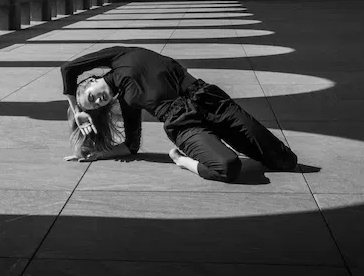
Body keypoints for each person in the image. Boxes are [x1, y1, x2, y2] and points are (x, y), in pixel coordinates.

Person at [60, 45, 298, 182]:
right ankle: (183, 160)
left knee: (286, 161)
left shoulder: (120, 55)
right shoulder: (127, 102)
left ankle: (215, 145)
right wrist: (99, 154)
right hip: (183, 124)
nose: (99, 101)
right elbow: (131, 146)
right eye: (96, 106)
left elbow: (68, 68)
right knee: (228, 167)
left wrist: (78, 110)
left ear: (92, 80)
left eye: (91, 97)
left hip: (212, 102)